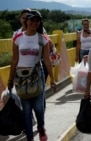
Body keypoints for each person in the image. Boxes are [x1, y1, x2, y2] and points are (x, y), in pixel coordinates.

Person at [8, 10, 56, 141]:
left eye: (37, 20)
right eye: (32, 20)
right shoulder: (17, 38)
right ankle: (30, 137)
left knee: (39, 108)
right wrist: (10, 79)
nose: (34, 23)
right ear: (26, 21)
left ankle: (41, 127)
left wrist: (52, 79)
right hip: (21, 78)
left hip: (36, 76)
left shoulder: (43, 39)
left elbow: (46, 59)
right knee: (27, 110)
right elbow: (14, 59)